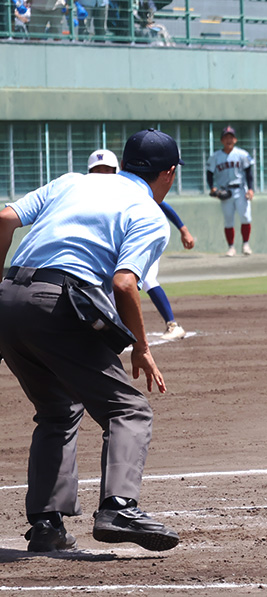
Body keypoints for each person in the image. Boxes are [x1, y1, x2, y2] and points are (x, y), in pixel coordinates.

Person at [0, 128, 185, 553]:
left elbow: (5, 218)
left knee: (58, 410)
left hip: (8, 299)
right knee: (129, 409)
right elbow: (124, 284)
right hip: (57, 305)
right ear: (169, 173)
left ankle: (46, 526)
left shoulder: (73, 181)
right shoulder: (149, 213)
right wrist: (141, 346)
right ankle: (119, 506)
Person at [88, 149, 194, 340]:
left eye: (106, 169)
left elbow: (162, 205)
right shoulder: (87, 192)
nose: (102, 175)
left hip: (144, 236)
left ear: (116, 170)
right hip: (120, 242)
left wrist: (183, 229)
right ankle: (106, 322)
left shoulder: (127, 187)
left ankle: (172, 325)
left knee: (147, 279)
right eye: (97, 170)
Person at [206, 125, 255, 257]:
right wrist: (212, 187)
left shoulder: (242, 154)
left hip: (240, 189)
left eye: (231, 137)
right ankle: (231, 247)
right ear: (222, 140)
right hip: (225, 192)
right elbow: (209, 173)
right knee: (228, 220)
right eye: (226, 137)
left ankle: (246, 244)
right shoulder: (215, 156)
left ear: (235, 140)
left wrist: (251, 189)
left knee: (245, 217)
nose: (228, 140)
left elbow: (249, 173)